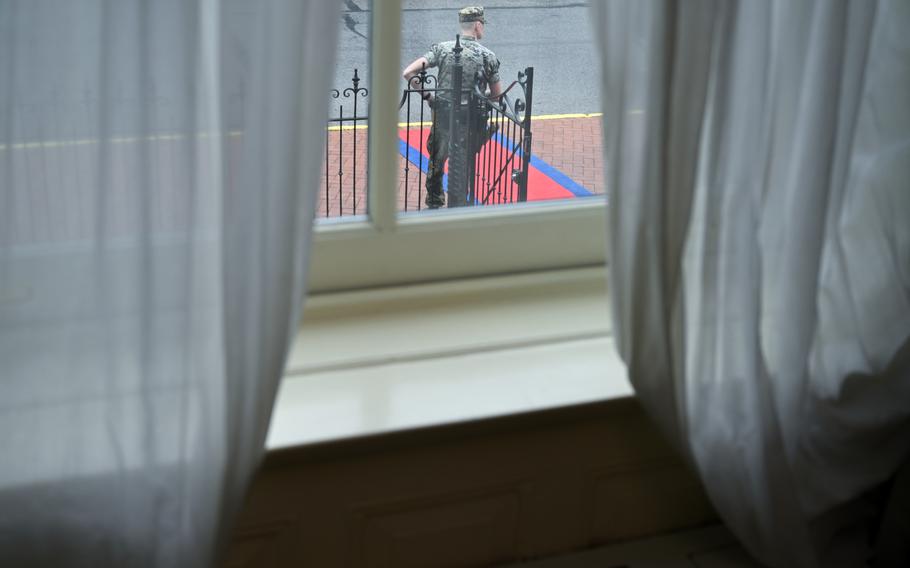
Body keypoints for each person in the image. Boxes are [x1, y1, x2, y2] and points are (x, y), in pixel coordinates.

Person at [402, 6, 503, 208]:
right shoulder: (487, 56)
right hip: (469, 118)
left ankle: (434, 201)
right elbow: (498, 95)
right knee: (464, 160)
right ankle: (460, 201)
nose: (483, 29)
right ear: (477, 25)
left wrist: (429, 96)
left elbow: (408, 73)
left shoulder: (442, 49)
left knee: (437, 159)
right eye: (482, 25)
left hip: (443, 113)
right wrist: (480, 97)